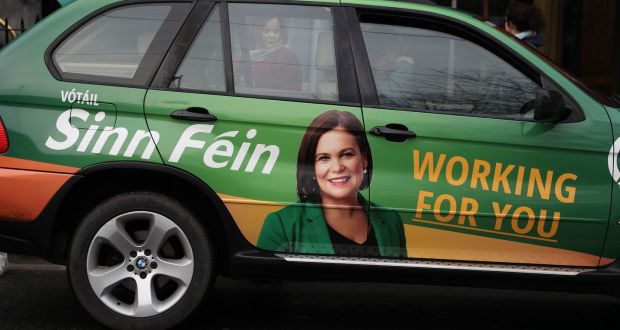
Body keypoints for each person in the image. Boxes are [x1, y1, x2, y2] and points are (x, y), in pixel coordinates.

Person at [257, 110, 407, 257]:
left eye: (347, 154)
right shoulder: (280, 225)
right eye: (324, 158)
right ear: (311, 167)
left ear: (364, 159)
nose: (337, 167)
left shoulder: (391, 220)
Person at [249, 17, 302, 91]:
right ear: (258, 32)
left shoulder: (289, 57)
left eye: (276, 31)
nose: (271, 36)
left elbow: (292, 90)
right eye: (267, 31)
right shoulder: (245, 55)